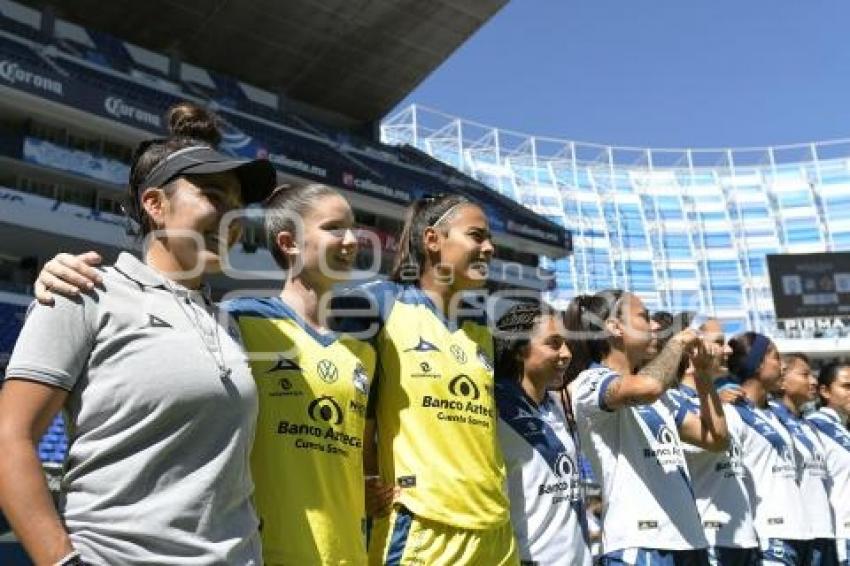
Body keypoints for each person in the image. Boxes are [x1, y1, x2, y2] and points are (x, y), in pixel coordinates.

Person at [32, 181, 397, 565]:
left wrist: (362, 491)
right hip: (260, 553)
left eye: (354, 228)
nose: (351, 239)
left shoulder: (362, 353)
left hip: (348, 555)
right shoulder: (234, 322)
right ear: (289, 243)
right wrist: (56, 273)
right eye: (334, 227)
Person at [0, 102, 277, 565]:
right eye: (213, 195)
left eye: (237, 205)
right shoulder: (85, 292)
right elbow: (10, 438)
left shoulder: (230, 324)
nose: (231, 217)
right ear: (155, 204)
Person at [332, 194, 518, 565]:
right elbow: (353, 411)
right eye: (477, 236)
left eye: (489, 239)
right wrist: (362, 481)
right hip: (423, 525)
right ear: (433, 239)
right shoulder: (377, 305)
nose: (489, 248)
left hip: (496, 528)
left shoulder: (482, 327)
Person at [565, 290, 728, 566]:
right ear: (615, 327)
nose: (654, 326)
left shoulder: (659, 394)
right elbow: (648, 387)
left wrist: (702, 375)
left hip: (689, 541)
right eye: (644, 317)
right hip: (639, 546)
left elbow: (716, 439)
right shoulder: (589, 382)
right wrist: (676, 342)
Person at [493, 301, 591, 566]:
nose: (567, 353)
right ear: (518, 349)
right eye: (554, 343)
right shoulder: (491, 406)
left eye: (567, 343)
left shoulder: (557, 404)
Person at [668, 318, 759, 566]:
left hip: (744, 538)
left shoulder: (725, 403)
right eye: (718, 343)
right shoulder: (672, 405)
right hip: (708, 537)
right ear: (691, 354)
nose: (728, 350)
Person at [726, 332, 810, 565]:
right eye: (775, 357)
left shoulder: (775, 415)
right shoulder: (733, 413)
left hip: (799, 532)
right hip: (769, 535)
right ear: (757, 364)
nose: (782, 365)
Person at [770, 354, 837, 566]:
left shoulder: (809, 426)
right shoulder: (770, 419)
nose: (814, 381)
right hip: (790, 534)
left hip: (822, 531)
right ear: (781, 380)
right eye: (805, 374)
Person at [807, 363, 850, 566]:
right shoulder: (814, 426)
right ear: (824, 391)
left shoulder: (842, 428)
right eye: (847, 386)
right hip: (840, 536)